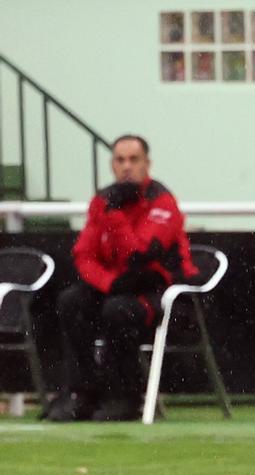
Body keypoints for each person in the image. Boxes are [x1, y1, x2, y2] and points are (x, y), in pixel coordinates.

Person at [42, 134, 196, 422]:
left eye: (134, 160)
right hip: (117, 288)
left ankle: (123, 396)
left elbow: (139, 254)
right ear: (112, 165)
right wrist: (108, 284)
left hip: (161, 294)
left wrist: (113, 216)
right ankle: (81, 392)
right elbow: (83, 255)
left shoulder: (162, 201)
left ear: (147, 164)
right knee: (71, 301)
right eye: (120, 160)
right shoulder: (103, 200)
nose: (126, 167)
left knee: (118, 310)